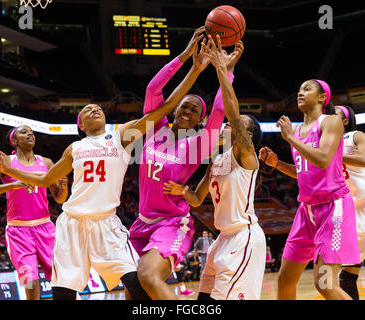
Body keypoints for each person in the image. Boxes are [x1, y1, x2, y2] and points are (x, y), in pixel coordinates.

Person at [0, 34, 208, 300]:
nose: (94, 108)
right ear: (80, 125)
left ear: (106, 118)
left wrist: (193, 65)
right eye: (87, 109)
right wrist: (8, 169)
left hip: (106, 224)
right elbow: (45, 180)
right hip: (72, 224)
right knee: (63, 293)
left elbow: (168, 106)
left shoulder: (121, 136)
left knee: (137, 284)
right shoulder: (74, 149)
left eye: (98, 107)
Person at [129, 27, 242, 300]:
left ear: (199, 121)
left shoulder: (196, 145)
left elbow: (219, 110)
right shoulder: (156, 127)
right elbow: (153, 88)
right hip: (141, 223)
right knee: (134, 289)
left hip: (172, 223)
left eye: (194, 109)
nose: (187, 110)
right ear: (175, 108)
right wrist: (188, 60)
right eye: (184, 105)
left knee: (146, 275)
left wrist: (225, 71)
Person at [164, 36, 266, 300]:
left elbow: (231, 112)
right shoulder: (217, 159)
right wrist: (182, 190)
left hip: (243, 239)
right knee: (203, 301)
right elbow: (198, 199)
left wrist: (224, 69)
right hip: (221, 240)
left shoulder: (246, 156)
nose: (229, 126)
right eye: (232, 125)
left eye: (238, 126)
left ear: (249, 136)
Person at [259, 80, 360, 300]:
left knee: (324, 283)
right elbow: (303, 171)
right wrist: (277, 163)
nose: (300, 92)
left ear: (323, 97)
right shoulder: (296, 129)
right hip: (307, 210)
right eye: (299, 89)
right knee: (285, 279)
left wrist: (291, 139)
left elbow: (323, 160)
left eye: (307, 89)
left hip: (333, 207)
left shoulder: (331, 121)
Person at [0, 125, 68, 300]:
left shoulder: (46, 162)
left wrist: (63, 187)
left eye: (31, 132)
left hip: (46, 228)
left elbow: (60, 198)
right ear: (14, 141)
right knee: (30, 284)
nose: (30, 134)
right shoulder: (4, 163)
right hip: (19, 231)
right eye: (24, 132)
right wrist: (11, 185)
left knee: (61, 277)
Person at [335, 105, 365, 299]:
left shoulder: (355, 135)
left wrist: (334, 155)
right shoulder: (326, 144)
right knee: (346, 277)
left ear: (345, 121)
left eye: (334, 115)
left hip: (362, 203)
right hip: (349, 209)